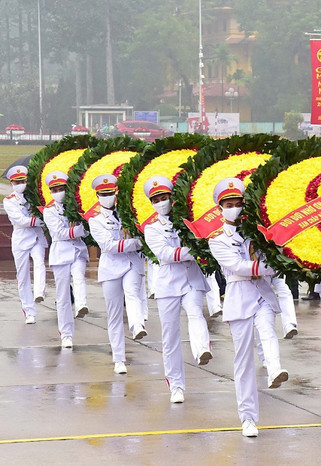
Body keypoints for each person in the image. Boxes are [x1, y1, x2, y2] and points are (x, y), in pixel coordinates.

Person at [207, 178, 288, 438]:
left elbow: (270, 252)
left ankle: (275, 369)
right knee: (243, 360)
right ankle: (248, 418)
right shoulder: (217, 239)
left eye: (238, 204)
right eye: (229, 204)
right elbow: (237, 266)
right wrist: (270, 267)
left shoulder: (257, 231)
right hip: (239, 295)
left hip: (262, 291)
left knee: (267, 330)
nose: (234, 208)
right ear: (220, 207)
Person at [143, 176, 213, 404]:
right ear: (152, 203)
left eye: (165, 197)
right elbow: (164, 254)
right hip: (168, 284)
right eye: (157, 199)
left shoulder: (187, 221)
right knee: (170, 336)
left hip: (191, 278)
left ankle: (202, 349)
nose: (162, 202)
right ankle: (176, 385)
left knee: (195, 312)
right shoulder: (151, 228)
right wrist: (193, 251)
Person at [88, 174, 146, 374]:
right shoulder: (95, 220)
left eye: (111, 193)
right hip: (111, 267)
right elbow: (107, 245)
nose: (107, 197)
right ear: (97, 195)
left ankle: (137, 325)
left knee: (132, 293)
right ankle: (119, 359)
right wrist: (137, 243)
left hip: (131, 263)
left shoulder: (128, 213)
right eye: (103, 194)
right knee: (113, 315)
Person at [42, 171, 89, 349]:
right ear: (51, 191)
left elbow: (87, 227)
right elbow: (59, 233)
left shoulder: (76, 206)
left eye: (61, 188)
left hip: (77, 250)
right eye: (55, 189)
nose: (59, 192)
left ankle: (82, 305)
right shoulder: (49, 211)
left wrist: (81, 226)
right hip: (61, 253)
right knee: (62, 296)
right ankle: (66, 334)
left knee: (79, 277)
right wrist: (78, 230)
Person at [3, 166, 47, 323]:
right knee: (22, 277)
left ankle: (39, 291)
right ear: (12, 183)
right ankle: (29, 311)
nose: (21, 184)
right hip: (21, 239)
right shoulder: (9, 201)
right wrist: (40, 220)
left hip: (36, 236)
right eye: (18, 181)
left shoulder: (34, 197)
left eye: (23, 181)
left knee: (39, 262)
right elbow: (20, 221)